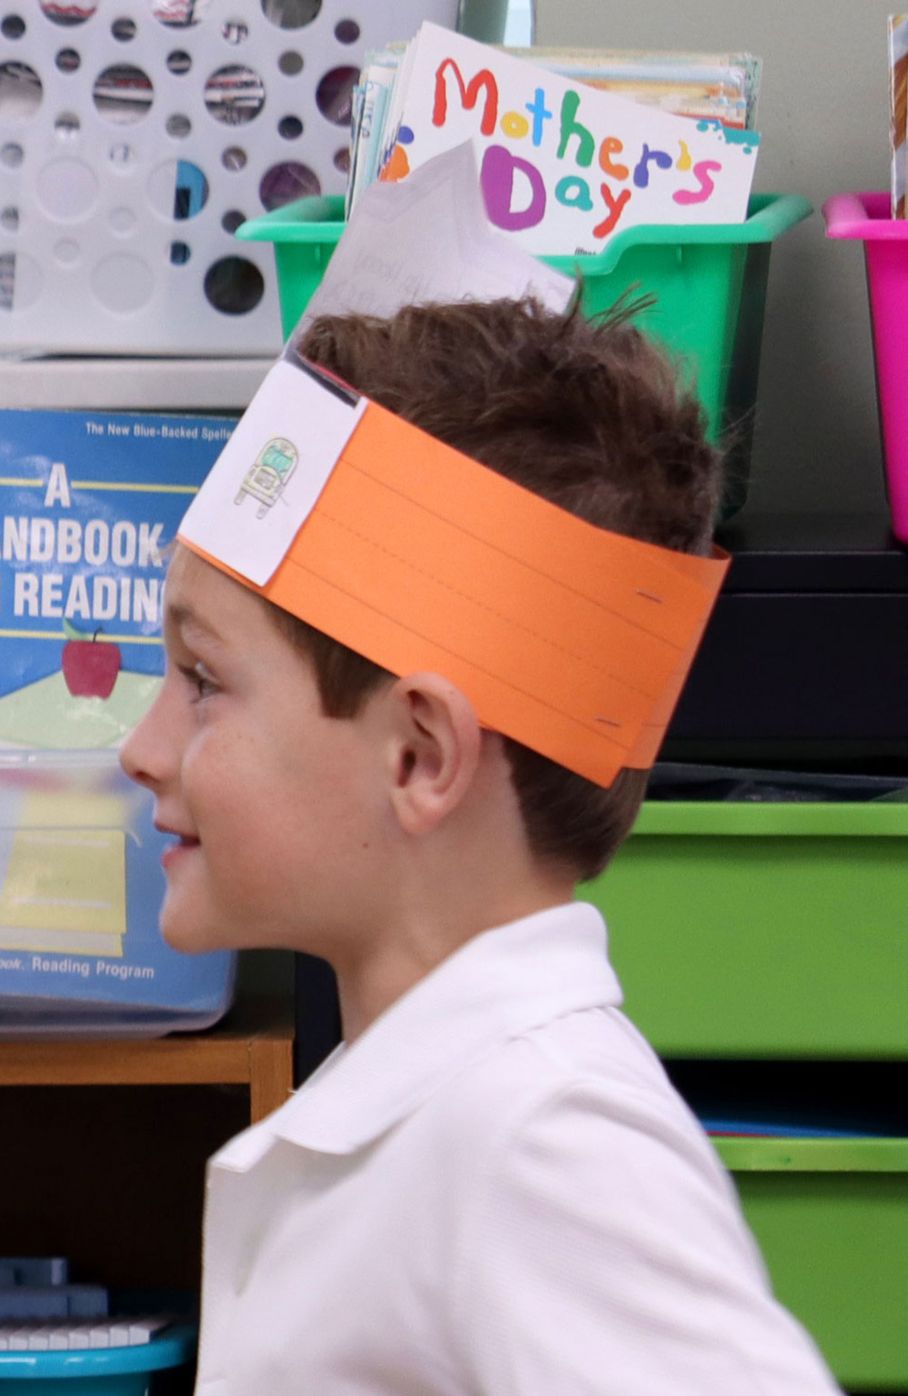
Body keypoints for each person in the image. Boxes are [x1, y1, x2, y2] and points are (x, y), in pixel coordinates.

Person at [122, 300, 835, 1393]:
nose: (141, 746)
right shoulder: (431, 1105)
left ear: (417, 755)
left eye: (203, 682)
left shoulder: (544, 1148)